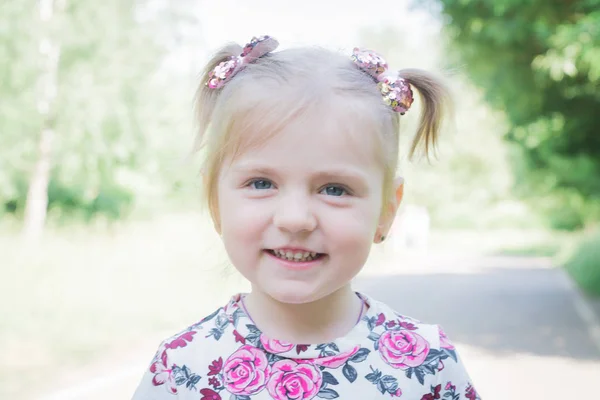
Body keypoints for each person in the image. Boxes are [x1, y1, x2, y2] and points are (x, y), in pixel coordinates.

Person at [132, 35, 480, 400]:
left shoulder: (427, 366)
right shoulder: (182, 368)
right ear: (215, 202)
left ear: (387, 210)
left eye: (334, 189)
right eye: (261, 183)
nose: (295, 219)